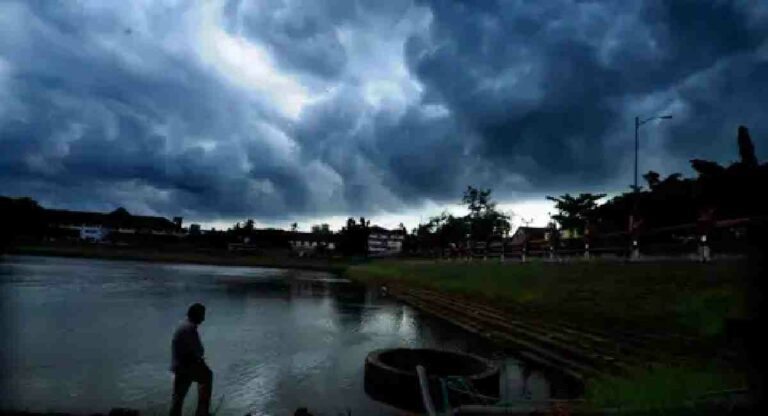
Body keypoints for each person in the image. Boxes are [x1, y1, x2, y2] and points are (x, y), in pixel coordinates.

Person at [170, 303, 213, 416]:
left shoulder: (183, 325)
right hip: (186, 366)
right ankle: (202, 412)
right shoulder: (189, 328)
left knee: (178, 398)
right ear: (196, 315)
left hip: (179, 365)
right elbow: (199, 351)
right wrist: (200, 361)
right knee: (207, 376)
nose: (203, 319)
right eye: (202, 315)